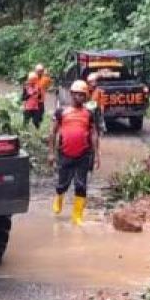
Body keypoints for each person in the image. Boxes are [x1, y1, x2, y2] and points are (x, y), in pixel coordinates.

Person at [48, 80, 99, 225]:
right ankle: (59, 196)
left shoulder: (89, 114)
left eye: (82, 95)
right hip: (64, 153)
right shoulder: (61, 112)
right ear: (71, 95)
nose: (79, 98)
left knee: (81, 185)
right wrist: (51, 153)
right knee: (63, 183)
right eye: (76, 94)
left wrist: (97, 156)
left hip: (83, 154)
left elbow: (94, 134)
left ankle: (77, 216)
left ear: (86, 97)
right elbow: (52, 133)